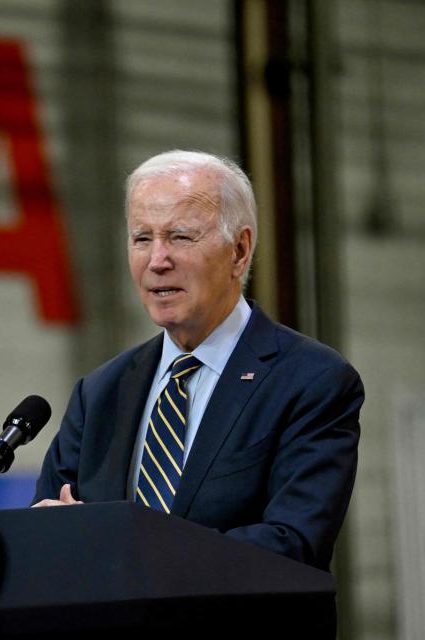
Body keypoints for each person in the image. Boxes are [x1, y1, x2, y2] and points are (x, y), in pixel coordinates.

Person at [32, 150, 363, 571]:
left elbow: (292, 543)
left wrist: (120, 546)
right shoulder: (100, 391)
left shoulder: (312, 381)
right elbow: (50, 527)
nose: (157, 261)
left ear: (239, 251)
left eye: (180, 237)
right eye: (142, 238)